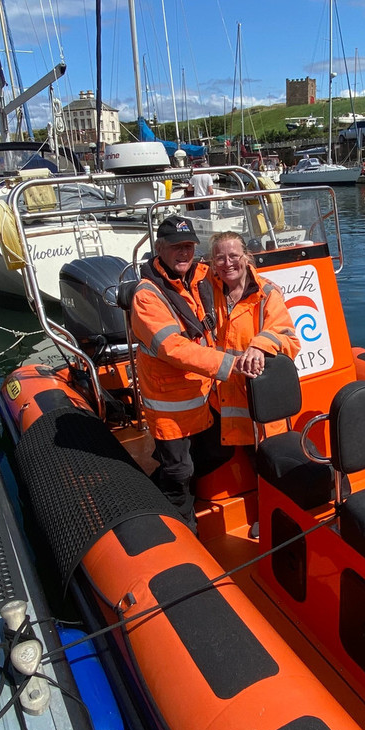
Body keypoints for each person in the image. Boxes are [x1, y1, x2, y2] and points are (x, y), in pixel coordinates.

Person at [129, 216, 237, 528]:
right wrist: (229, 363)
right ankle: (183, 530)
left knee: (222, 451)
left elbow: (242, 279)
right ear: (159, 248)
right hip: (171, 403)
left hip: (205, 394)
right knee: (179, 474)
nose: (184, 253)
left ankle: (154, 484)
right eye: (176, 247)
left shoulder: (203, 277)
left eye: (188, 246)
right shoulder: (147, 295)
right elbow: (172, 347)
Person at [206, 231, 300, 448]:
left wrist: (260, 346)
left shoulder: (267, 294)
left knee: (265, 464)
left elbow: (289, 340)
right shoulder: (211, 290)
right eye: (220, 258)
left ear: (246, 258)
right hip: (221, 403)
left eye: (234, 256)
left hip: (258, 404)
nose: (227, 263)